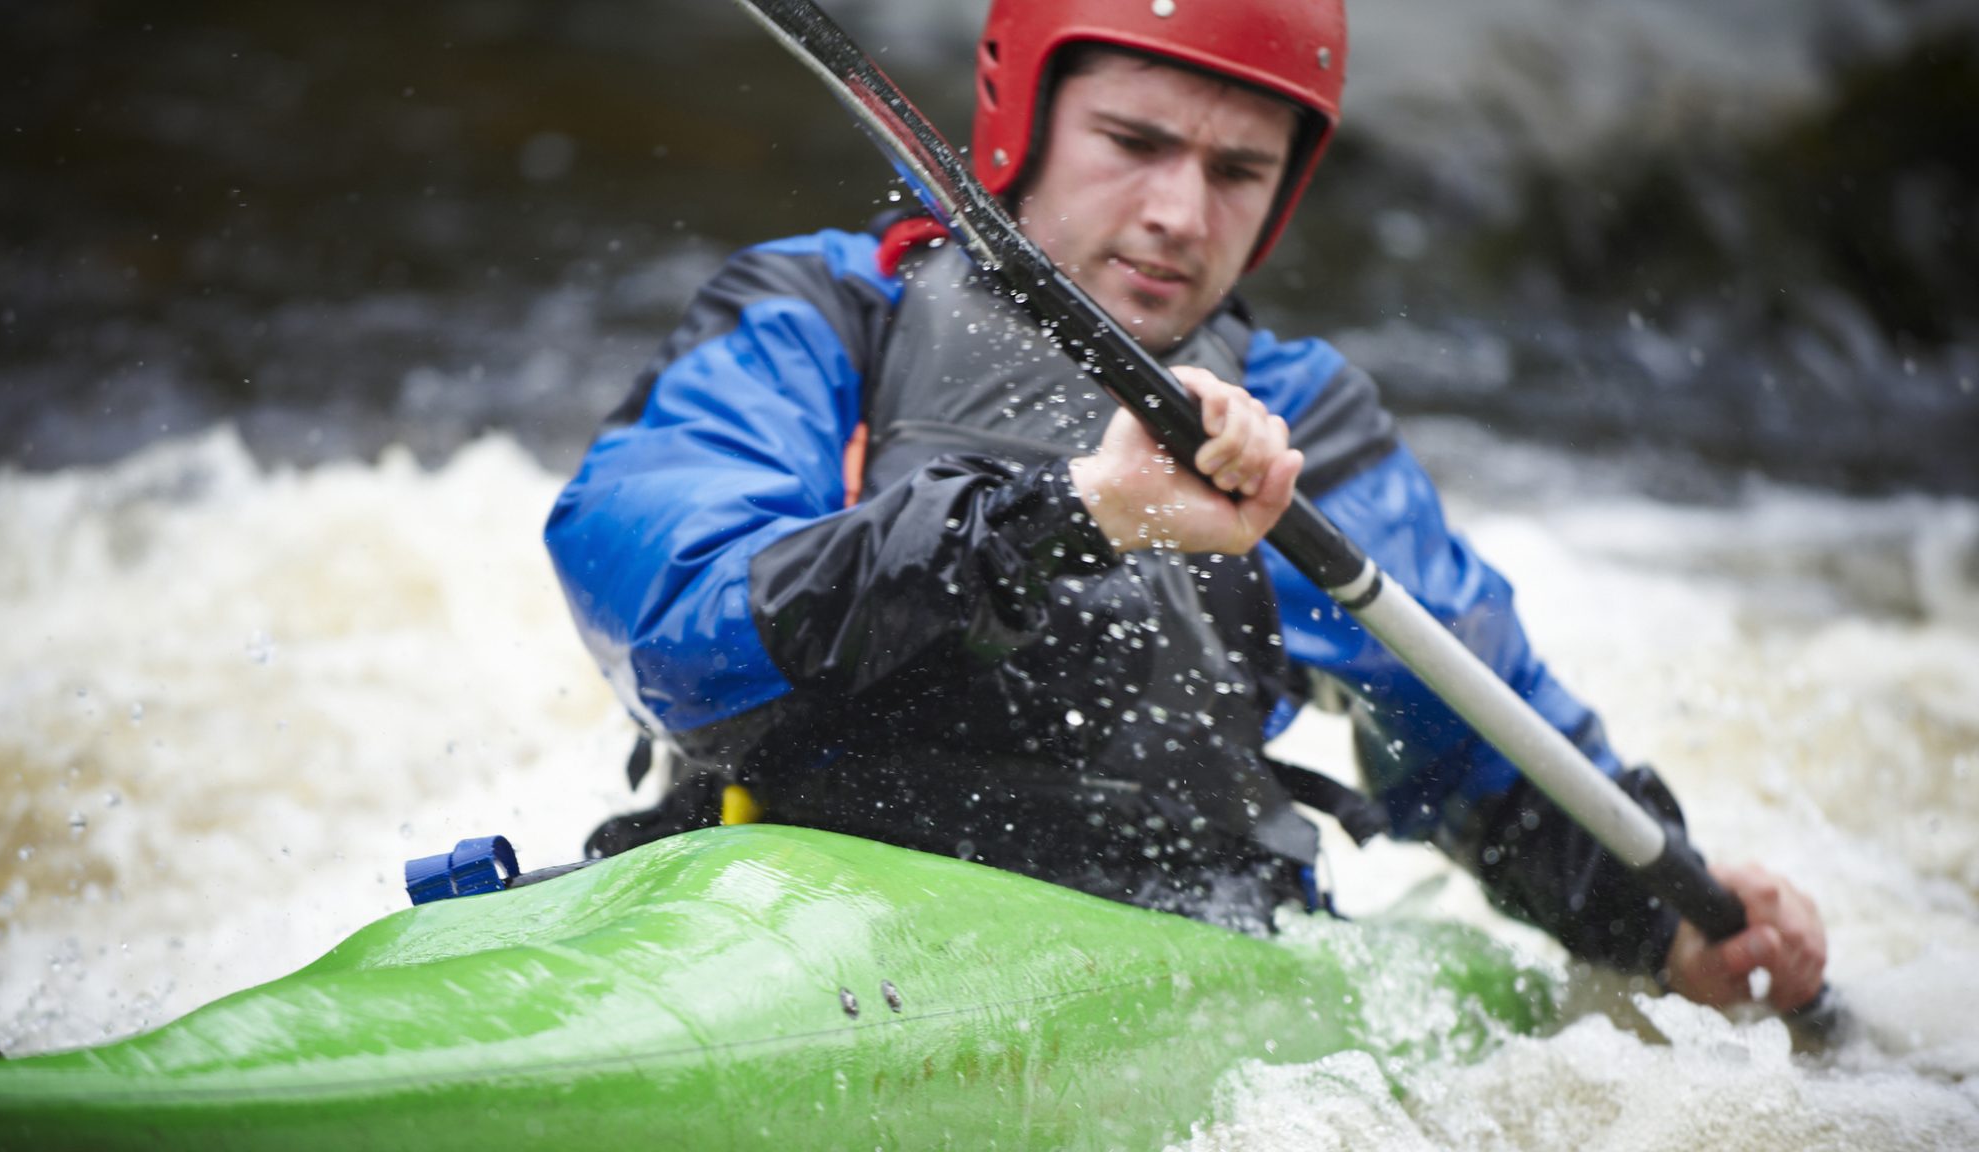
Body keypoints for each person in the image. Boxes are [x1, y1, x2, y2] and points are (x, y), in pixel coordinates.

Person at [546, 0, 1825, 1012]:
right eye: (1135, 143)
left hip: (1178, 950)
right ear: (1022, 118)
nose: (1177, 214)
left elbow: (1479, 738)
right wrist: (1066, 512)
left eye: (1237, 169)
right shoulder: (821, 321)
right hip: (792, 901)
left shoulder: (1300, 421)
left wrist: (1660, 926)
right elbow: (674, 626)